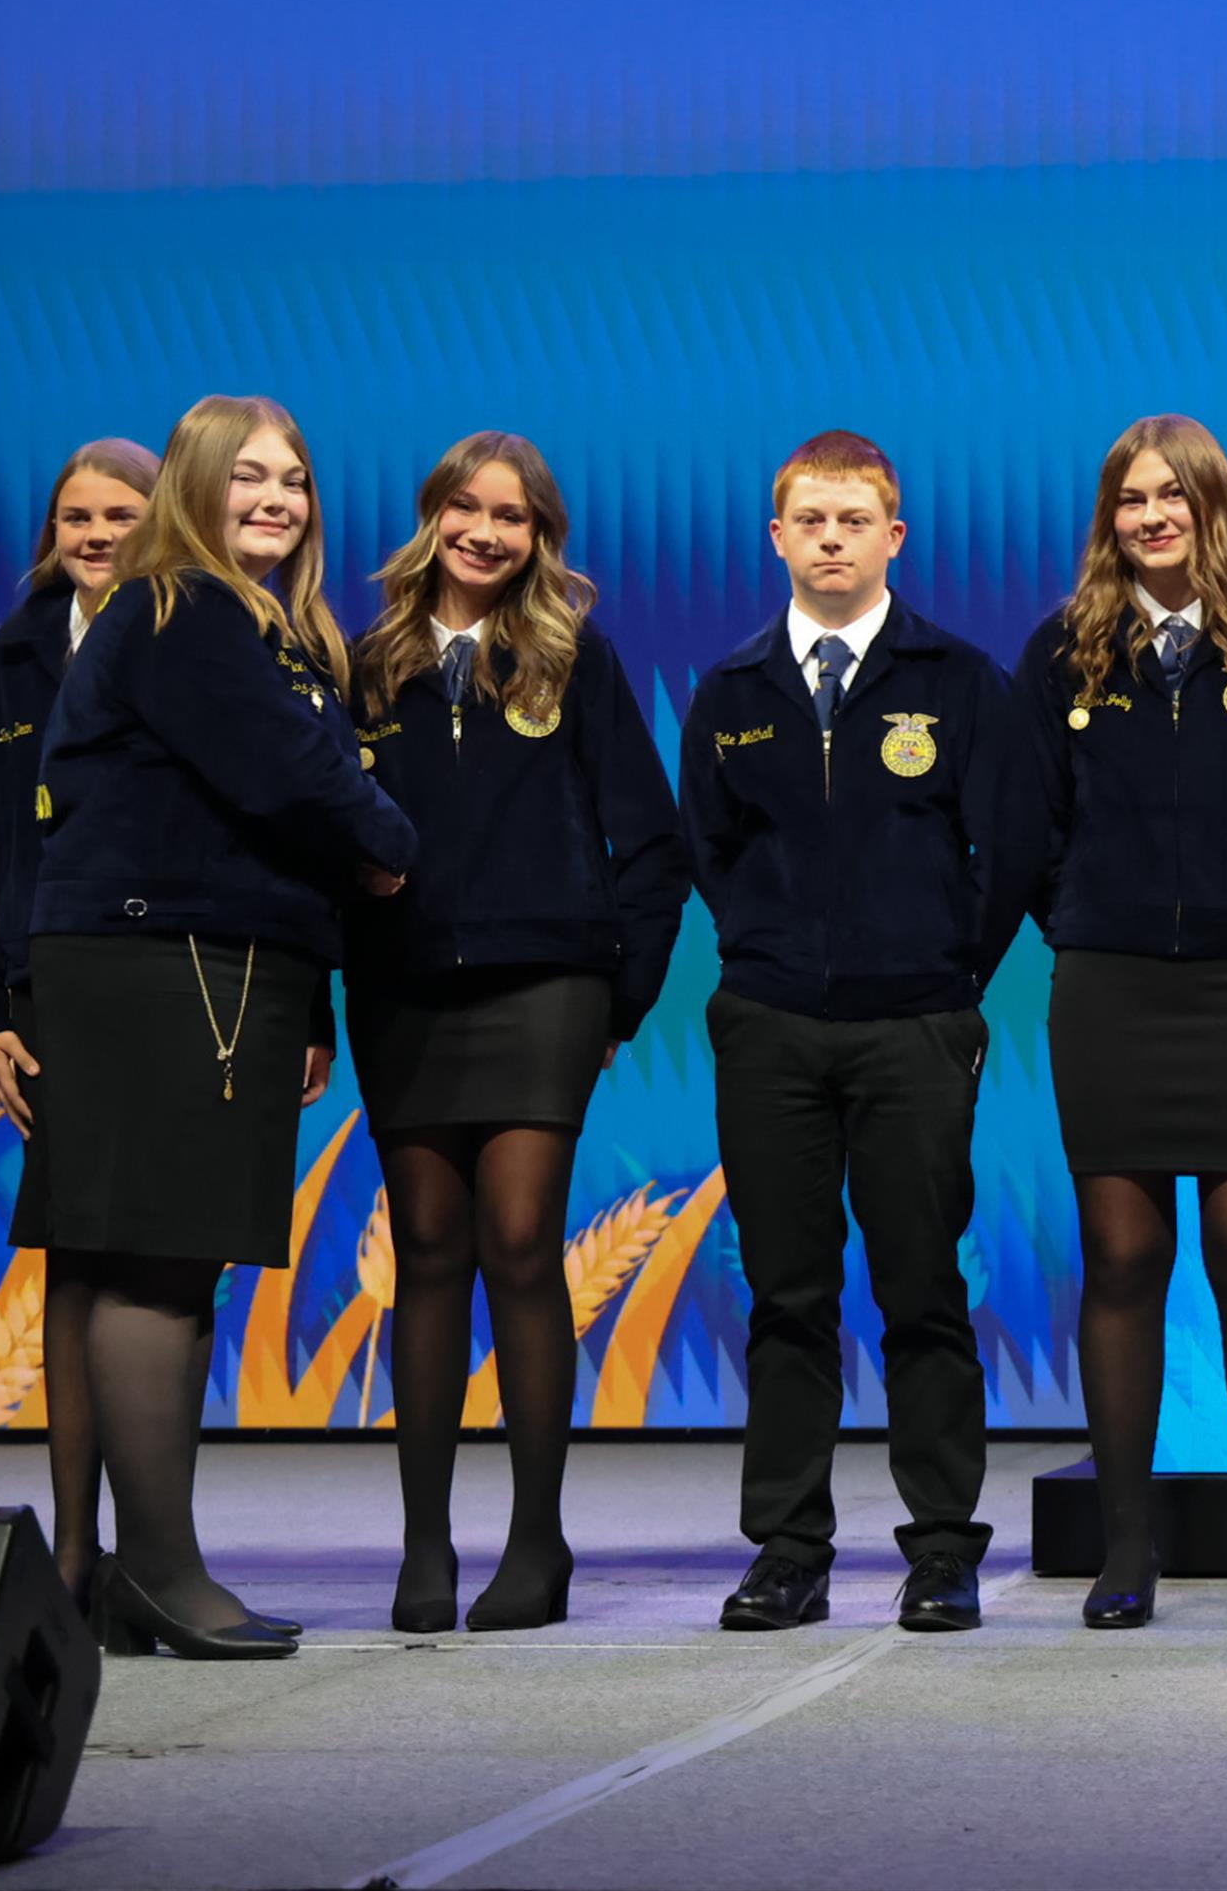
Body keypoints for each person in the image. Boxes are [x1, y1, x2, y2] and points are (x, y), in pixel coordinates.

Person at [29, 395, 416, 1658]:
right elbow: (291, 775)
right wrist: (389, 843)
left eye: (293, 480)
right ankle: (157, 1571)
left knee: (161, 1261)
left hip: (200, 957)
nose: (277, 499)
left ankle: (147, 1570)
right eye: (248, 475)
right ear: (194, 484)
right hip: (162, 958)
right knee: (155, 1260)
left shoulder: (258, 626)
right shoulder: (184, 608)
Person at [679, 430, 1048, 1633]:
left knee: (922, 1289)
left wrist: (941, 973)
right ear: (776, 537)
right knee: (786, 1297)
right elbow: (710, 850)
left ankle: (941, 1550)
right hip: (771, 1029)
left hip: (915, 1029)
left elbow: (1009, 849)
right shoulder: (732, 692)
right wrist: (770, 953)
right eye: (810, 521)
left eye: (853, 521)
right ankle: (788, 1551)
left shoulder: (960, 681)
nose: (830, 540)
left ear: (894, 537)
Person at [1013, 416, 1227, 1629]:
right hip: (1110, 991)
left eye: (1174, 495)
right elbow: (1028, 828)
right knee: (1121, 1262)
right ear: (1108, 518)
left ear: (1213, 506)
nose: (1152, 516)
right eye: (1131, 498)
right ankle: (1127, 1550)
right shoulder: (1063, 652)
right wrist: (1085, 923)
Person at [348, 431, 690, 1634]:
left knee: (520, 1241)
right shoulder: (364, 666)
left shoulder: (571, 658)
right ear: (432, 515)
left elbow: (652, 844)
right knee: (426, 1252)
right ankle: (425, 1546)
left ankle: (537, 1544)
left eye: (513, 516)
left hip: (546, 990)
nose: (486, 533)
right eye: (467, 508)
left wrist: (618, 997)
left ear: (541, 536)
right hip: (402, 994)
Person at [0, 438, 159, 1612]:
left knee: (158, 1269)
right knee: (78, 1264)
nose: (95, 535)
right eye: (76, 517)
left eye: (120, 516)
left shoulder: (198, 646)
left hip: (170, 981)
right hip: (49, 1000)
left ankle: (156, 1551)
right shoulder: (8, 664)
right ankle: (76, 1557)